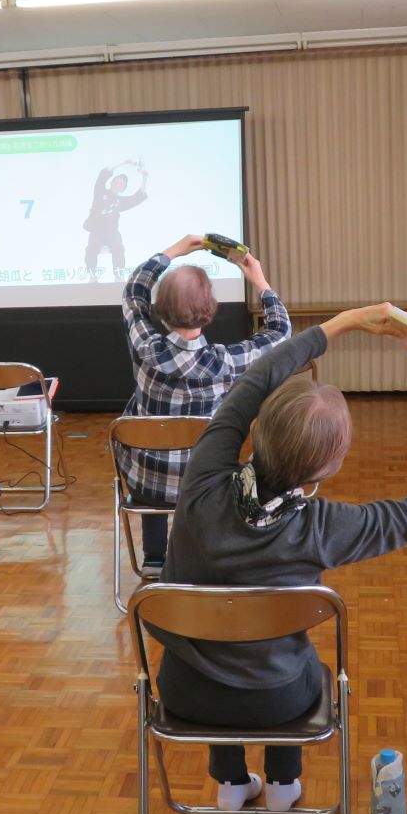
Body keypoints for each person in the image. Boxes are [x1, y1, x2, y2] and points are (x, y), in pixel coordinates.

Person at [152, 306, 407, 812]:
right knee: (295, 664)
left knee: (214, 647)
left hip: (186, 694)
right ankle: (283, 786)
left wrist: (342, 323)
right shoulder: (322, 528)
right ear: (330, 466)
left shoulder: (202, 480)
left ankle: (231, 784)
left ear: (256, 428)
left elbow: (255, 380)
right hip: (279, 700)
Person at [117, 235, 292, 571]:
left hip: (145, 485)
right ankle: (197, 558)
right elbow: (281, 333)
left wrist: (174, 250)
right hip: (204, 487)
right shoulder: (225, 362)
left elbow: (133, 291)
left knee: (152, 465)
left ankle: (154, 559)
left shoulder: (146, 348)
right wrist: (259, 281)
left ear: (160, 309)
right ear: (210, 309)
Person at [83, 160, 147, 278]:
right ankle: (92, 277)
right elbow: (104, 174)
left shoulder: (120, 202)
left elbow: (138, 197)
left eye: (122, 184)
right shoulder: (100, 191)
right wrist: (124, 162)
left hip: (112, 232)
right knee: (91, 249)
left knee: (119, 248)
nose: (119, 185)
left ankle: (118, 276)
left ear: (123, 189)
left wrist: (144, 178)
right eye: (117, 181)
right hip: (96, 230)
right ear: (112, 182)